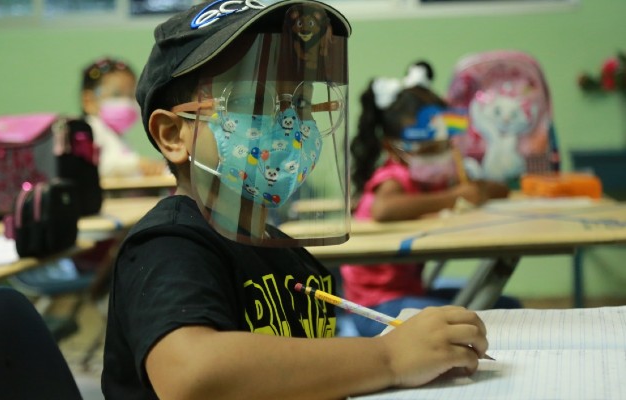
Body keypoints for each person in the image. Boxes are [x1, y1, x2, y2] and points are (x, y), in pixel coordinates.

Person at [101, 2, 490, 399]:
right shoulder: (169, 245)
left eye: (299, 104)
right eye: (254, 103)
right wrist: (388, 357)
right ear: (172, 135)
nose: (289, 123)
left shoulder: (285, 252)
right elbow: (191, 375)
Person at [341, 61, 519, 337]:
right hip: (375, 306)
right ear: (392, 146)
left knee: (509, 308)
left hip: (408, 293)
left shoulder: (428, 179)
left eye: (443, 145)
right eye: (428, 148)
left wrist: (478, 189)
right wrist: (452, 197)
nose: (437, 154)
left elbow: (494, 190)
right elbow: (384, 209)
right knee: (477, 319)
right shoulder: (394, 176)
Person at [81, 56, 167, 178]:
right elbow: (98, 166)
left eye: (131, 95)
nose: (126, 102)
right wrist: (138, 164)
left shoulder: (116, 136)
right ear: (89, 101)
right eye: (117, 94)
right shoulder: (90, 130)